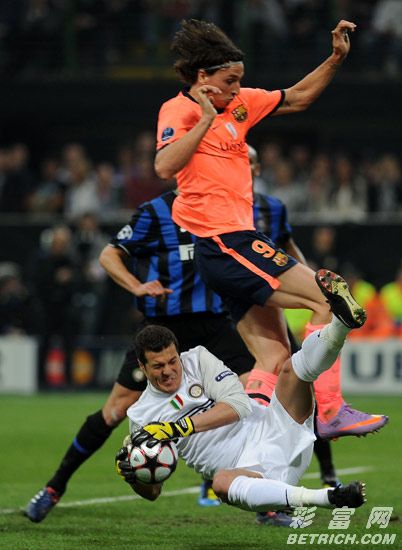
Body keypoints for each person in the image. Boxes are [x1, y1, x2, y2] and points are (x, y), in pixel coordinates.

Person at [153, 19, 388, 437]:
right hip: (225, 241)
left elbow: (297, 97)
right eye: (229, 81)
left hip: (230, 246)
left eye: (240, 80)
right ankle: (330, 410)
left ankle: (243, 447)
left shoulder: (240, 104)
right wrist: (205, 119)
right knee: (328, 299)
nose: (236, 89)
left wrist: (335, 58)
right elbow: (164, 166)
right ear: (203, 77)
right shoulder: (179, 111)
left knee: (273, 358)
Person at [25, 189, 255, 523]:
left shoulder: (223, 206)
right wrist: (136, 286)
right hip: (162, 329)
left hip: (213, 323)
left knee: (255, 388)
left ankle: (266, 490)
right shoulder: (154, 212)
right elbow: (108, 255)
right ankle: (54, 487)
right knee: (115, 410)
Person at [115, 307, 367, 513]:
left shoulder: (197, 360)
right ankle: (328, 497)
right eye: (158, 366)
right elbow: (153, 492)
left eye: (173, 361)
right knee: (220, 483)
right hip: (252, 474)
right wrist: (133, 475)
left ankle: (341, 324)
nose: (169, 371)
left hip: (276, 429)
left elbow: (238, 405)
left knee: (290, 369)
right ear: (142, 366)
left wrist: (178, 427)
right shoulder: (141, 415)